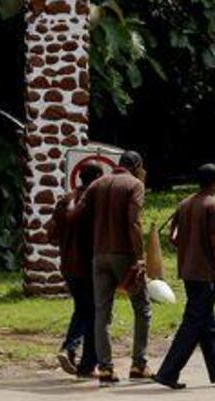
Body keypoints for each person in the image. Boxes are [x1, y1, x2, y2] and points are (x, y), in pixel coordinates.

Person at [154, 164, 215, 390]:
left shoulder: (184, 204)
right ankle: (167, 372)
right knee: (193, 324)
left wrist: (188, 247)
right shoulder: (214, 206)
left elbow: (173, 237)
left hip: (187, 271)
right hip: (204, 273)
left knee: (207, 325)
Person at [76, 150, 153, 385]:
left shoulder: (97, 184)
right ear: (137, 166)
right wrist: (139, 257)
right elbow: (133, 221)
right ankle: (139, 364)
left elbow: (79, 213)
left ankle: (106, 369)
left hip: (99, 254)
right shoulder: (135, 184)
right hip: (124, 254)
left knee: (102, 312)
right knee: (142, 307)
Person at [48, 161, 103, 378]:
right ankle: (81, 359)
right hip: (88, 265)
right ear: (97, 178)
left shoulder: (65, 200)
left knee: (83, 309)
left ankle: (72, 352)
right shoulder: (94, 202)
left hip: (68, 265)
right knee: (94, 313)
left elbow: (51, 234)